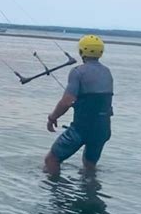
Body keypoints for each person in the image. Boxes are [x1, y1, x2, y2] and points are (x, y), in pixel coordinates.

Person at [44, 35, 113, 176]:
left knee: (51, 159)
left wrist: (52, 117)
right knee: (89, 165)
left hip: (82, 128)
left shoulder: (78, 72)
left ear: (81, 52)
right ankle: (90, 192)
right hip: (103, 128)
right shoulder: (107, 72)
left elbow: (67, 101)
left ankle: (54, 192)